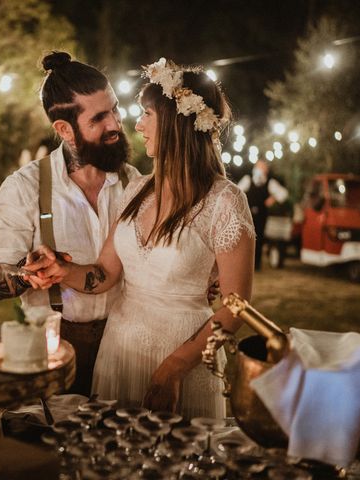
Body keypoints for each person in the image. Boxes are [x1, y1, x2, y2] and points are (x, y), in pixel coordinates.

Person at [27, 58, 255, 418]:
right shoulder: (136, 189)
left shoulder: (224, 201)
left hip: (184, 354)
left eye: (147, 114)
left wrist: (176, 366)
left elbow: (237, 305)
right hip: (119, 351)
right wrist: (59, 271)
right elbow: (105, 272)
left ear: (176, 122)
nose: (136, 124)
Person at [0, 51, 141, 396]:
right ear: (64, 130)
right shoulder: (25, 187)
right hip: (53, 352)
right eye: (98, 118)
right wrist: (27, 273)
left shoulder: (135, 184)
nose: (115, 124)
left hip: (127, 349)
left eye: (114, 109)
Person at [237, 159, 288, 270]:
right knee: (246, 238)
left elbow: (283, 194)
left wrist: (273, 198)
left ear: (266, 170)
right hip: (248, 214)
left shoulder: (270, 182)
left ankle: (257, 265)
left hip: (262, 215)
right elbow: (236, 192)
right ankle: (244, 264)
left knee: (259, 238)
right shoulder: (248, 179)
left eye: (262, 167)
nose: (260, 169)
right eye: (258, 166)